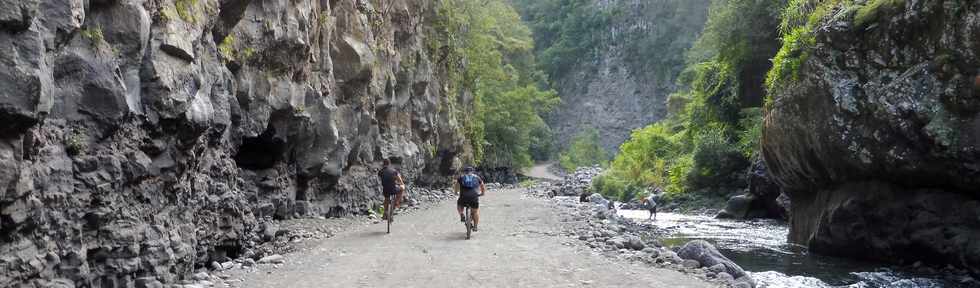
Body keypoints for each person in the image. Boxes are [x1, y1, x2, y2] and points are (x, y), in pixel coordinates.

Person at [455, 166, 486, 231]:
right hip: (474, 197)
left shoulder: (461, 177)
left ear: (465, 172)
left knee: (459, 205)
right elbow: (482, 186)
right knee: (475, 212)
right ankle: (475, 227)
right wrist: (482, 193)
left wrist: (456, 192)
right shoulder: (477, 177)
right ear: (472, 171)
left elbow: (456, 186)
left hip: (463, 196)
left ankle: (461, 214)